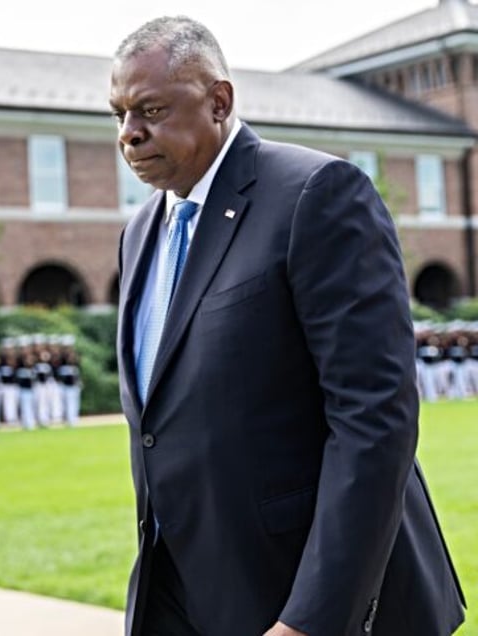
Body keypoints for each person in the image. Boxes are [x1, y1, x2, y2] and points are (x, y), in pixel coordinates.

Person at [110, 17, 465, 636]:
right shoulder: (140, 233)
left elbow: (373, 417)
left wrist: (312, 619)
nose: (129, 135)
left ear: (219, 101)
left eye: (151, 110)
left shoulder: (316, 195)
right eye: (118, 114)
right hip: (187, 596)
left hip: (307, 602)